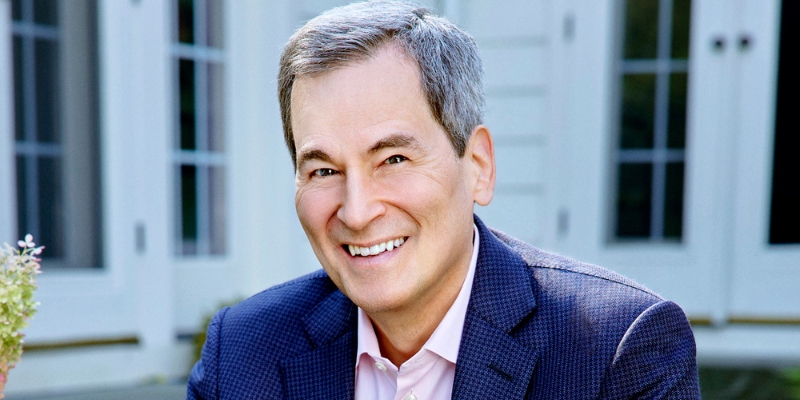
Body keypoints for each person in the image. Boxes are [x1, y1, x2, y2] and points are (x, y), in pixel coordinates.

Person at [187, 1, 700, 398]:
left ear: (477, 166)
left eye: (393, 159)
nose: (358, 211)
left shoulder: (615, 349)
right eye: (323, 170)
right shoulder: (243, 351)